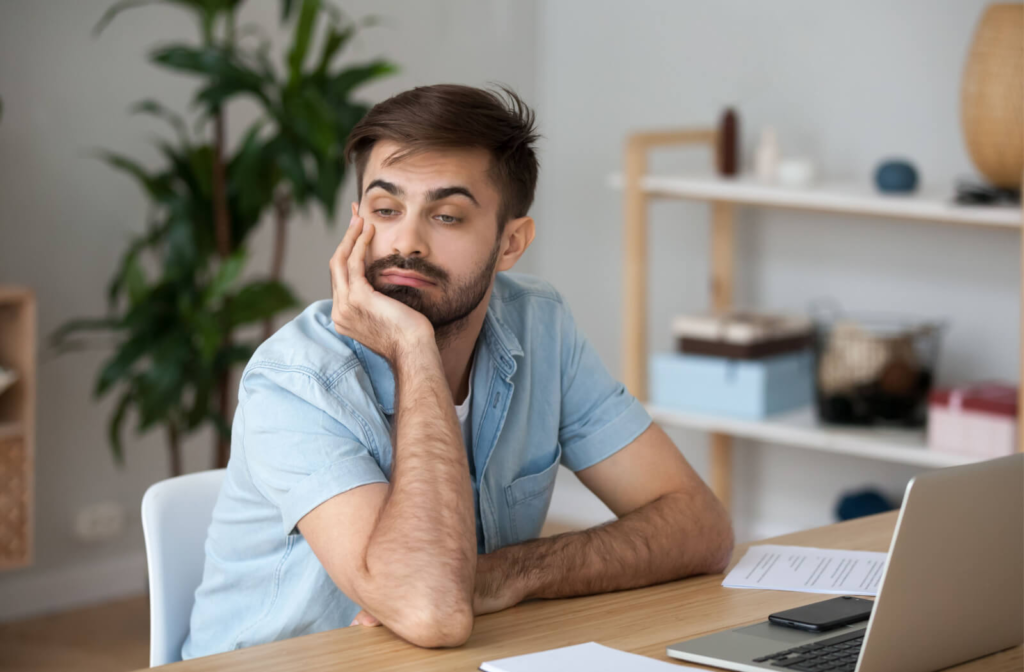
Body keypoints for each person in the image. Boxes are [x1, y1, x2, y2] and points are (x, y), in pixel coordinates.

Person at [182, 83, 733, 659]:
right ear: (356, 225)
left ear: (511, 242)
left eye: (446, 216)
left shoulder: (538, 325)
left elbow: (700, 526)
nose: (406, 244)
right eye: (385, 210)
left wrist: (507, 573)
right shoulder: (297, 379)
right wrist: (415, 350)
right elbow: (431, 611)